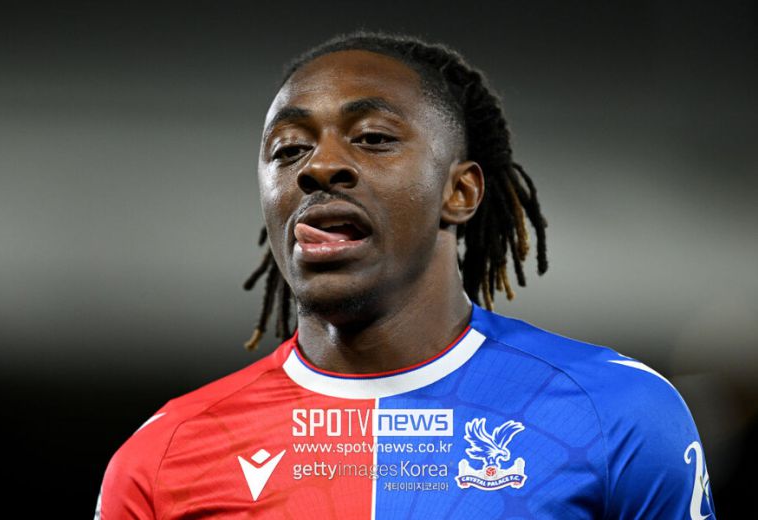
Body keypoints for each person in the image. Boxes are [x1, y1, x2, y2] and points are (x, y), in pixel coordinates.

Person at [95, 31, 716, 519]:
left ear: (460, 191)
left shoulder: (615, 417)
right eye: (289, 149)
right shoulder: (164, 458)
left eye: (371, 138)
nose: (319, 167)